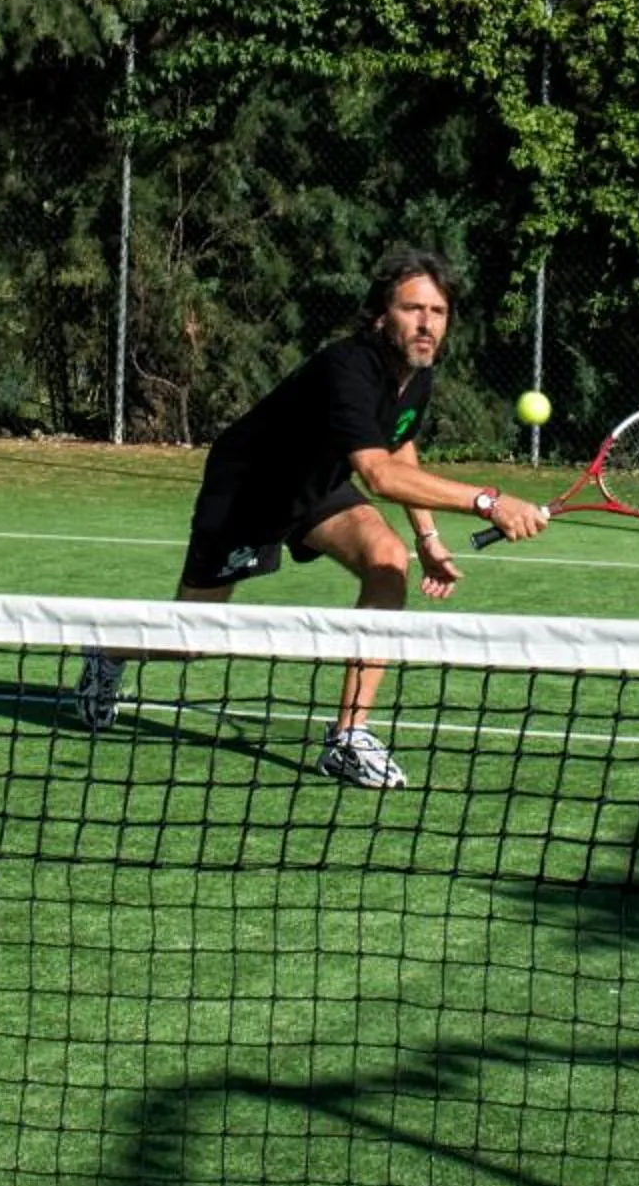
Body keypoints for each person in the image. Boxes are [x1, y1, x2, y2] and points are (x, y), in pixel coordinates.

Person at [75, 247, 548, 787]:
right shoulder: (346, 369)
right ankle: (109, 646)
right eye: (412, 309)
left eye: (437, 312)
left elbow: (401, 445)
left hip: (316, 487)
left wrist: (428, 537)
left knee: (388, 561)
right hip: (248, 493)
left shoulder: (417, 373)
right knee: (192, 640)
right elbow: (380, 475)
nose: (426, 323)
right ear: (380, 315)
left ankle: (348, 739)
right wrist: (489, 501)